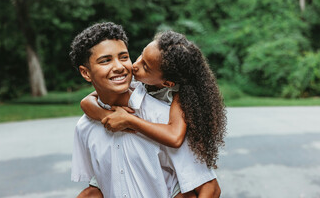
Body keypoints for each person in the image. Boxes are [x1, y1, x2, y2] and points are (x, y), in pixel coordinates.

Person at [70, 22, 220, 198]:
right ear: (86, 73)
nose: (121, 66)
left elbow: (209, 188)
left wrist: (129, 120)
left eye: (124, 57)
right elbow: (103, 185)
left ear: (167, 82)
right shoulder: (85, 127)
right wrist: (103, 114)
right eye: (106, 60)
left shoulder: (163, 117)